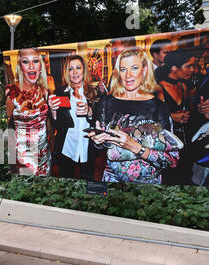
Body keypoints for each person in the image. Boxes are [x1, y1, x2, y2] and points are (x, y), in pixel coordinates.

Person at [89, 48, 181, 184]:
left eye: (134, 68)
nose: (128, 75)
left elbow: (172, 160)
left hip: (147, 186)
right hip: (112, 180)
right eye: (123, 69)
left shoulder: (158, 107)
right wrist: (98, 142)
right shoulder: (106, 103)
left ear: (144, 71)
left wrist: (135, 147)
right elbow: (101, 150)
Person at [155, 50, 209, 184]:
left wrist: (199, 109)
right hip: (167, 144)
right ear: (174, 68)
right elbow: (150, 119)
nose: (192, 70)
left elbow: (190, 113)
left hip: (186, 144)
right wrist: (171, 117)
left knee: (184, 177)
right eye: (188, 66)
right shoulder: (159, 89)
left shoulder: (183, 86)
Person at [48, 54, 100, 180]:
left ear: (84, 70)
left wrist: (89, 111)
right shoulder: (60, 92)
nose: (74, 72)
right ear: (67, 72)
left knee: (88, 182)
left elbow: (101, 119)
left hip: (87, 145)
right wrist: (53, 110)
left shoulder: (95, 91)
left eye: (78, 68)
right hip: (67, 145)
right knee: (66, 181)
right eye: (71, 69)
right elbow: (57, 125)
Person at [5, 48, 52, 176]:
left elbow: (49, 124)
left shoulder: (45, 91)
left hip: (43, 156)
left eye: (35, 61)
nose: (31, 66)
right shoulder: (12, 94)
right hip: (22, 158)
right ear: (20, 67)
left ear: (40, 66)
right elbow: (10, 125)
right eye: (26, 62)